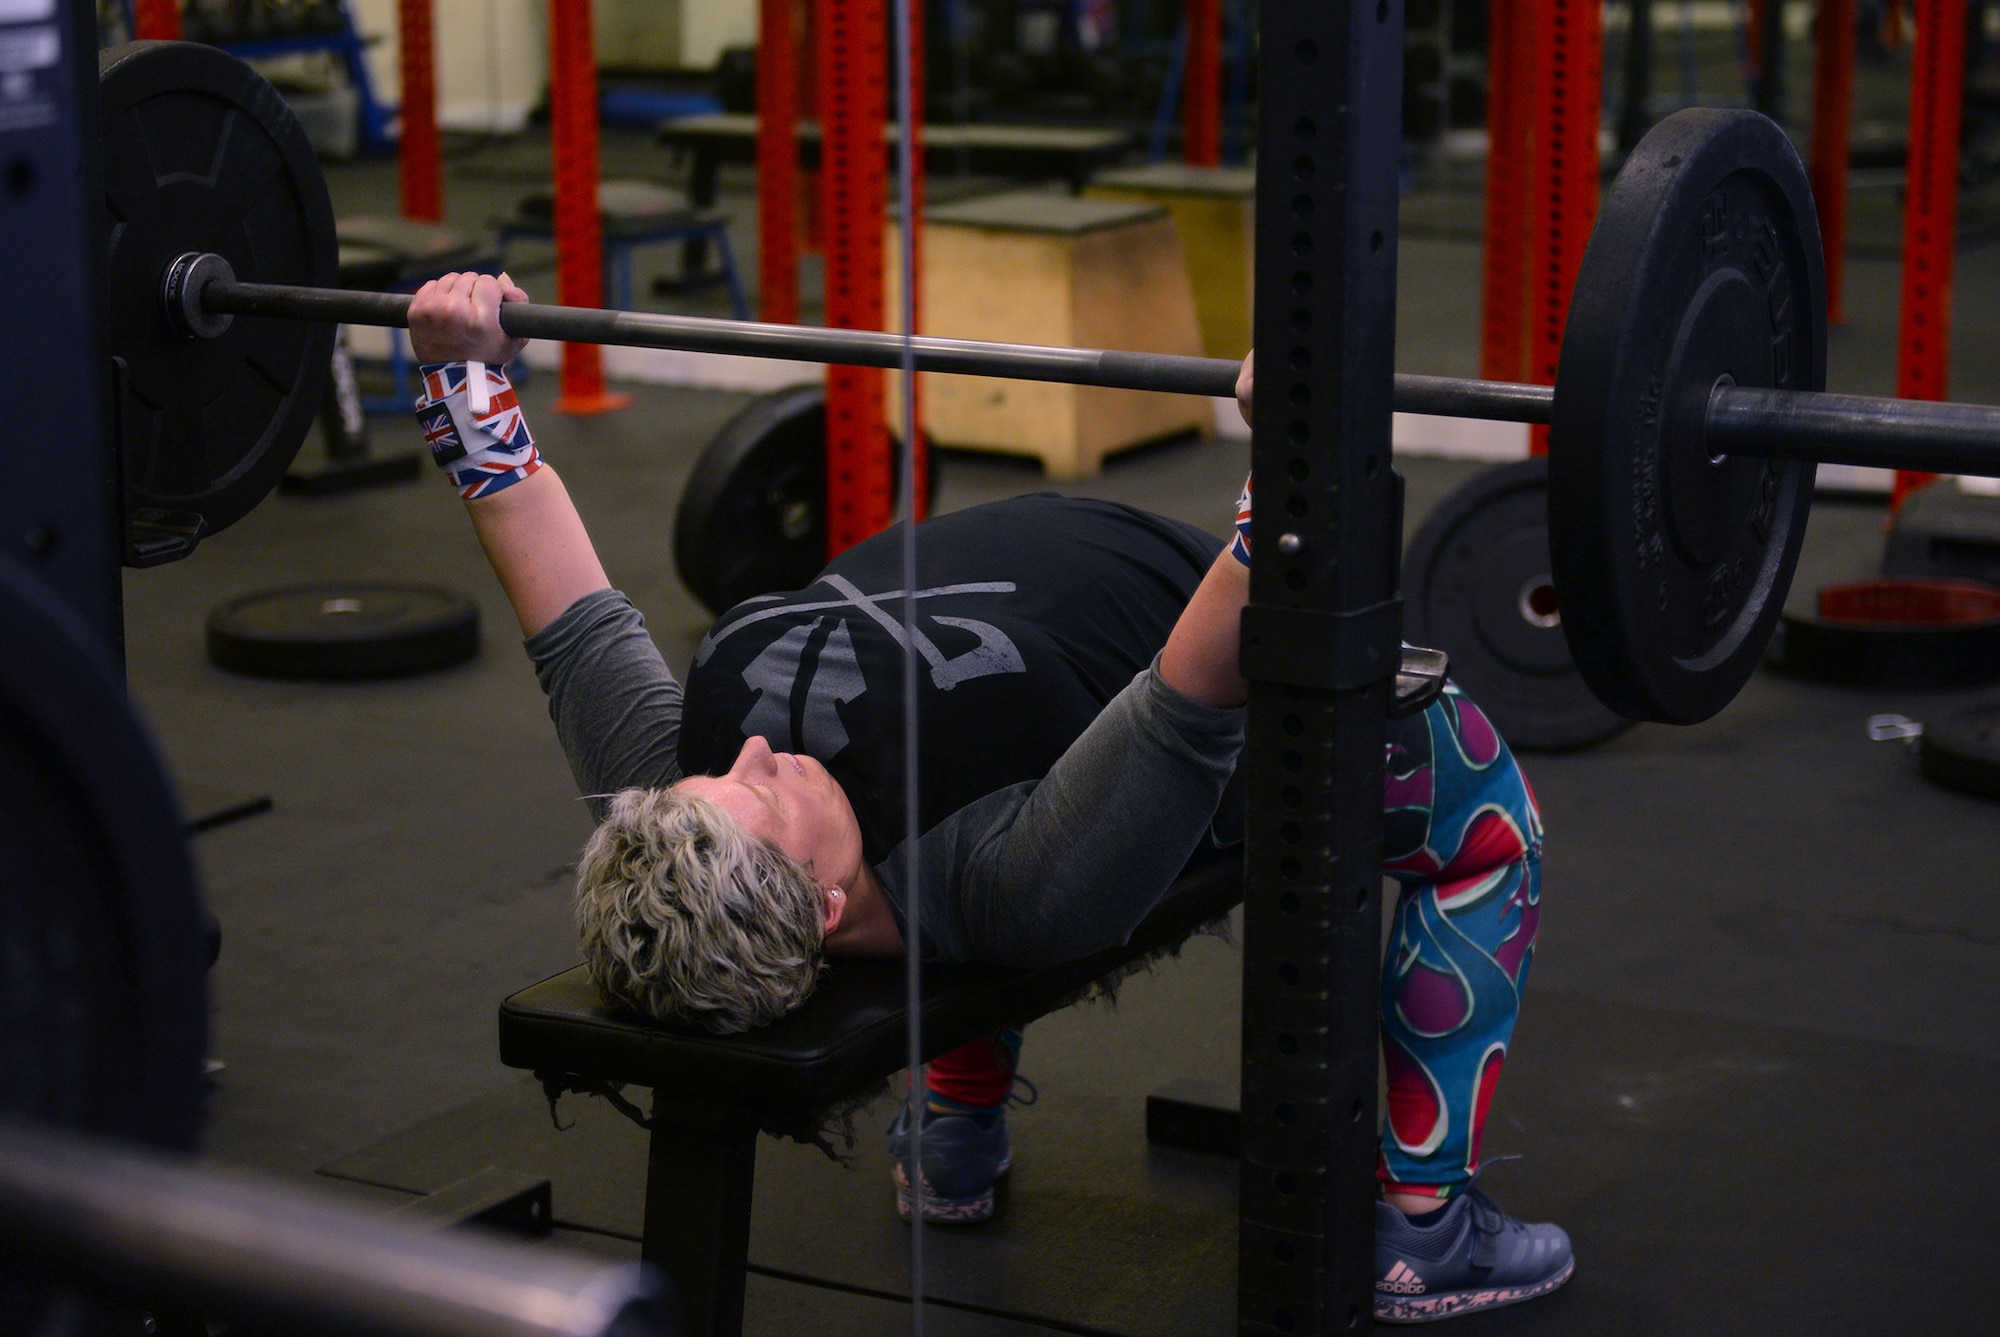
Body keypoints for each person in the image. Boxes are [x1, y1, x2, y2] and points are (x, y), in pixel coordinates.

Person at [406, 273, 1573, 1323]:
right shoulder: (1016, 883)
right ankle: (1424, 1222)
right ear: (818, 905)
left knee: (963, 763)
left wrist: (458, 369)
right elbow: (1197, 687)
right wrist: (1295, 459)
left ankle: (956, 1134)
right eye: (754, 792)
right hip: (1217, 671)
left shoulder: (681, 812)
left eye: (715, 774)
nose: (749, 754)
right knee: (1483, 824)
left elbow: (566, 610)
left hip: (1026, 696)